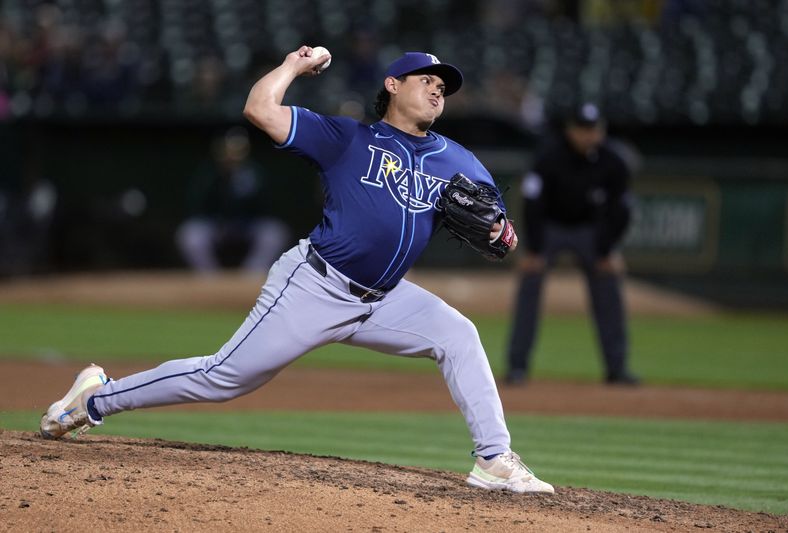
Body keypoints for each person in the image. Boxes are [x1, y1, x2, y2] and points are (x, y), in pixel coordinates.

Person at [40, 47, 554, 494]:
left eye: (443, 87)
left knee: (459, 335)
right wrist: (292, 65)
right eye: (427, 81)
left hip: (384, 299)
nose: (438, 93)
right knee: (224, 377)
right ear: (392, 85)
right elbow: (259, 109)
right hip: (315, 285)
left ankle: (493, 460)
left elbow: (497, 224)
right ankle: (96, 398)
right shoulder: (347, 139)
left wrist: (501, 233)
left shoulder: (456, 159)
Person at [505, 103, 639, 386]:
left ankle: (617, 368)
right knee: (530, 282)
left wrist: (607, 250)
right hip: (551, 229)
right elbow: (533, 203)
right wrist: (534, 250)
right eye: (582, 129)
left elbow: (622, 210)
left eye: (593, 129)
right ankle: (517, 366)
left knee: (608, 285)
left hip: (592, 233)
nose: (588, 135)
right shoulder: (549, 156)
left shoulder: (613, 161)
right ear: (570, 130)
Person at [175, 126, 290, 274]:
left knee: (275, 233)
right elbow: (197, 206)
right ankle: (209, 277)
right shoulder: (210, 174)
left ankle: (250, 276)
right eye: (228, 149)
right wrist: (222, 182)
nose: (232, 154)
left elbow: (267, 207)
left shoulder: (254, 173)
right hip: (216, 226)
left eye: (238, 148)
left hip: (248, 225)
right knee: (190, 234)